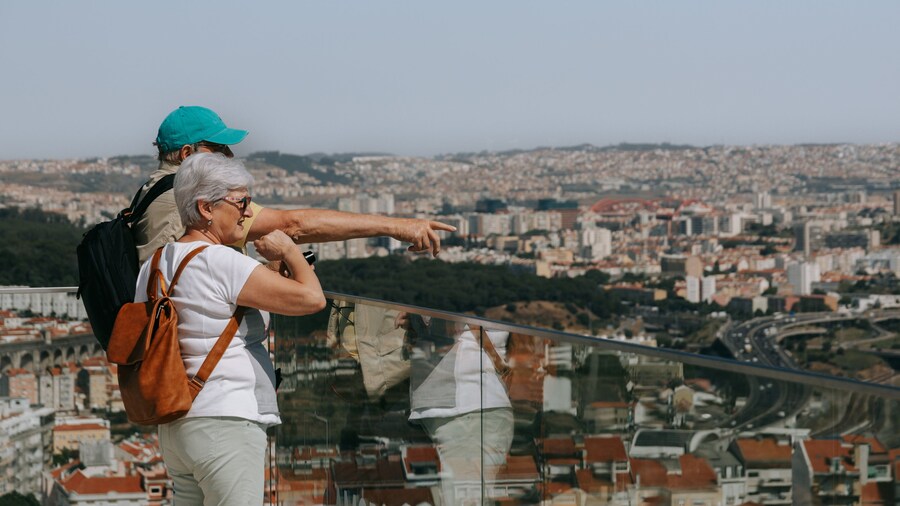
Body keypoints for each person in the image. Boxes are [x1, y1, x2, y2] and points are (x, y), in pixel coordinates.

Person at [135, 152, 326, 504]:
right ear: (206, 208)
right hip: (225, 421)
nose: (249, 212)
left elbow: (205, 311)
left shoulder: (156, 264)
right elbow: (312, 299)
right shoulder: (222, 261)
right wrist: (289, 249)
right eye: (242, 202)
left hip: (177, 422)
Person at [133, 105, 455, 262]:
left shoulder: (152, 191)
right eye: (217, 148)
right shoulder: (186, 195)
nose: (229, 155)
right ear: (187, 154)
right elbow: (294, 224)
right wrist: (397, 227)